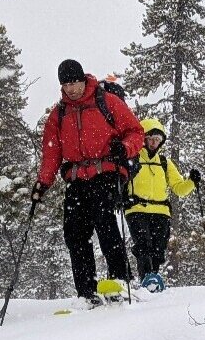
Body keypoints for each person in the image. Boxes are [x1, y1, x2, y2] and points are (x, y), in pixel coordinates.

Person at [32, 59, 145, 306]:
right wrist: (43, 182)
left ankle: (120, 280)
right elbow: (52, 152)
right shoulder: (58, 114)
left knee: (106, 226)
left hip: (105, 173)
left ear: (83, 79)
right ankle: (86, 292)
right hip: (76, 180)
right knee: (74, 235)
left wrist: (124, 148)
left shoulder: (107, 102)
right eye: (65, 84)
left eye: (74, 82)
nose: (71, 88)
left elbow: (136, 132)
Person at [124, 117, 200, 292]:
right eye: (150, 138)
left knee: (158, 248)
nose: (153, 143)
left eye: (157, 140)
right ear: (143, 138)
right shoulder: (132, 159)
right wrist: (124, 198)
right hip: (137, 208)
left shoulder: (164, 162)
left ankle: (153, 279)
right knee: (143, 244)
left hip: (161, 211)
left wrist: (192, 182)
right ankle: (147, 279)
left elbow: (179, 188)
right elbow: (120, 181)